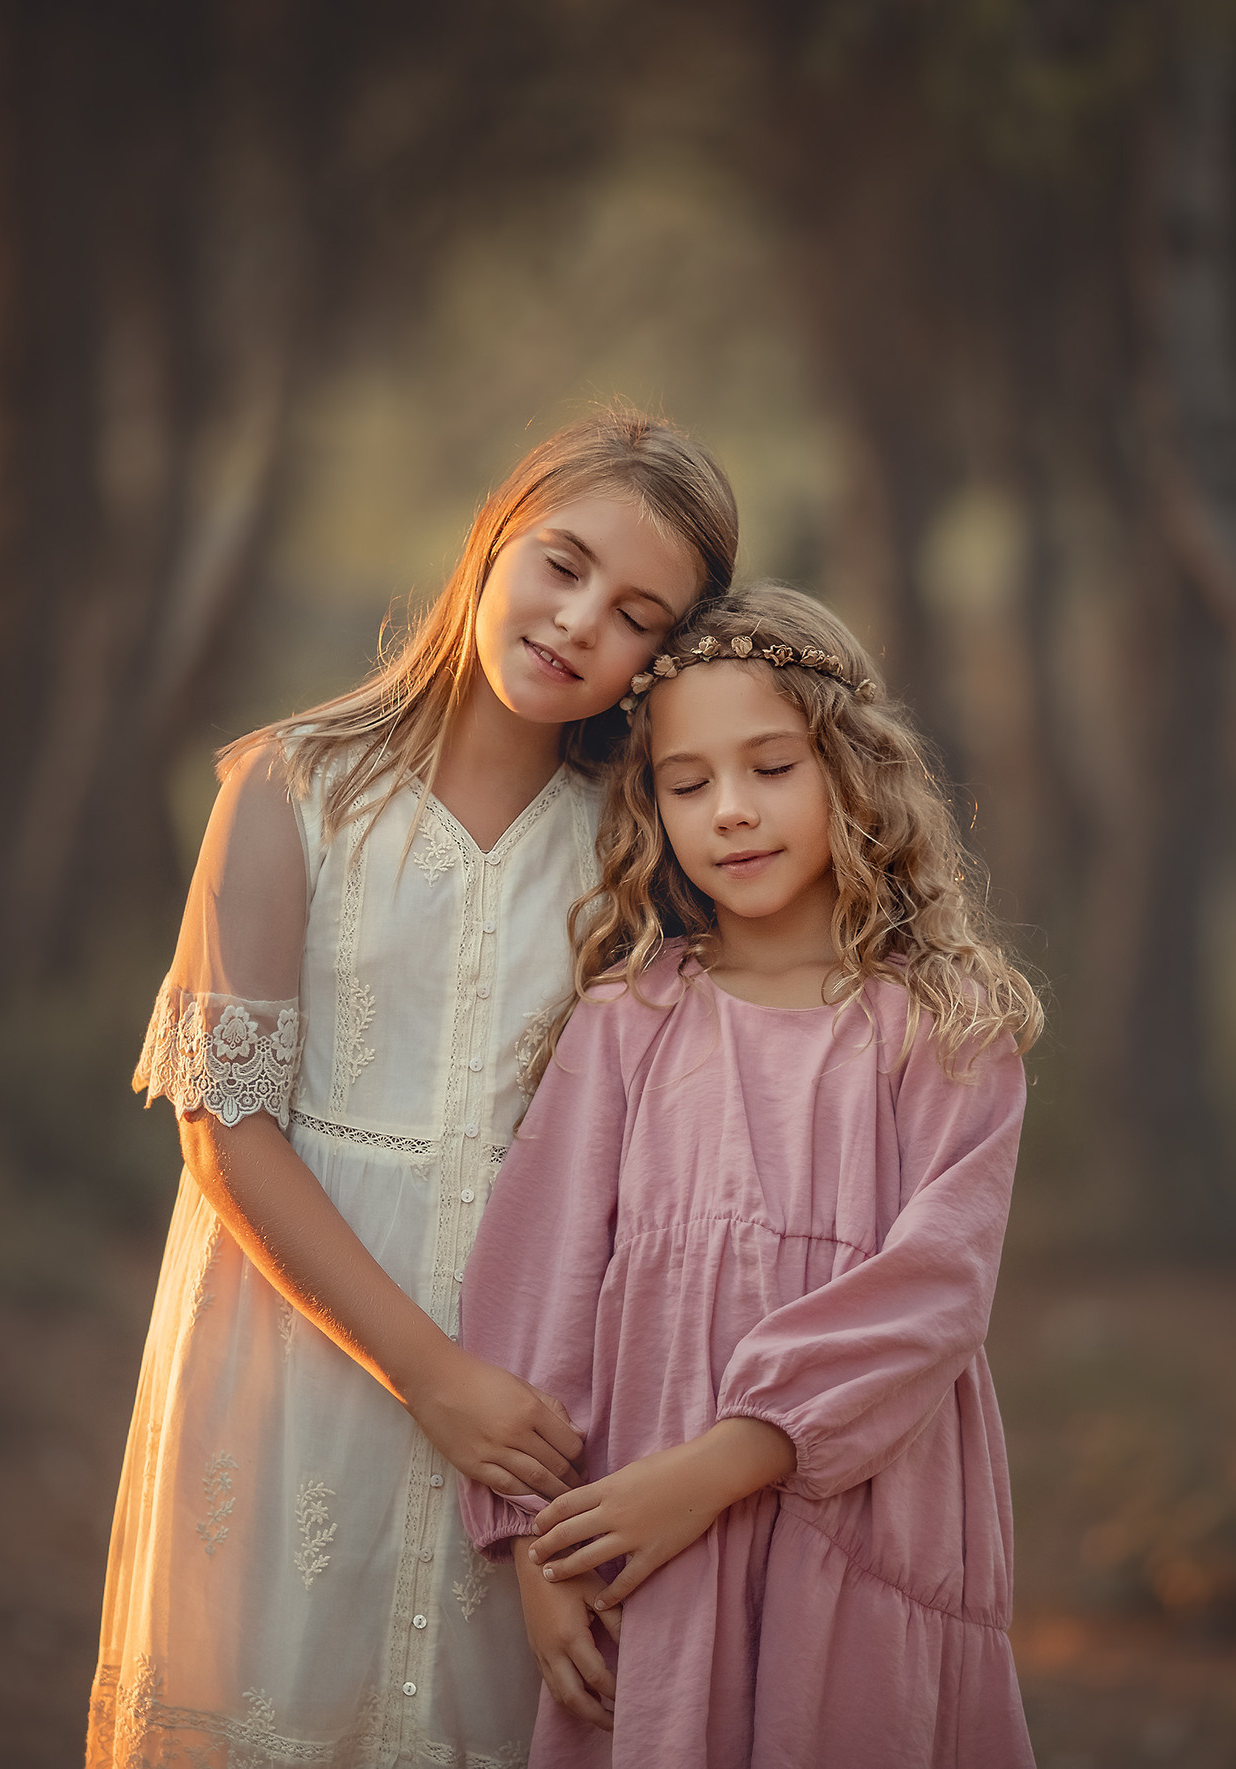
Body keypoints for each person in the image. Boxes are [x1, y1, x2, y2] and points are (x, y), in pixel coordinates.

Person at [87, 408, 739, 1768]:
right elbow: (227, 1128)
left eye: (635, 615)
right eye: (562, 563)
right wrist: (428, 1374)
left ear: (662, 658)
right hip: (297, 1346)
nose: (577, 622)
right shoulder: (295, 787)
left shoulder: (638, 851)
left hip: (533, 1376)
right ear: (494, 536)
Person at [458, 584, 1045, 1767]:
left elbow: (938, 1288)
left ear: (851, 770)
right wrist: (539, 1545)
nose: (731, 809)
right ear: (650, 805)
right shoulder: (628, 1021)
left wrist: (724, 1463)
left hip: (862, 1523)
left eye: (772, 767)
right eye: (688, 784)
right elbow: (535, 1289)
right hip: (647, 1537)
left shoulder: (944, 1027)